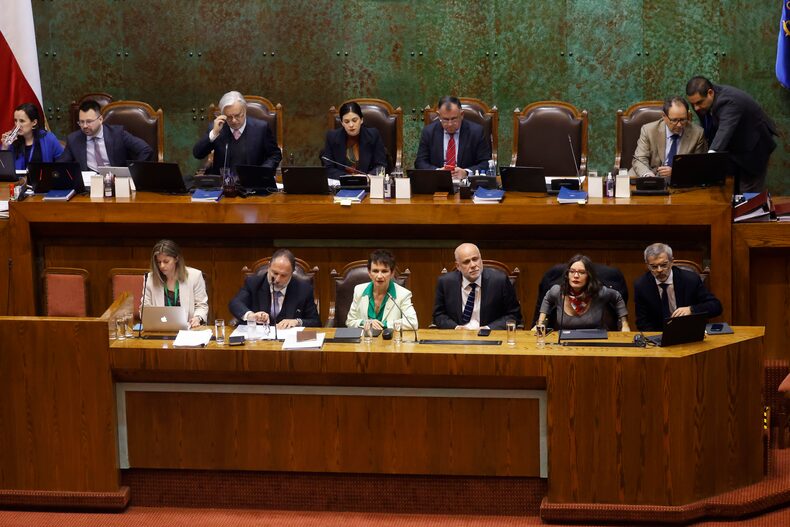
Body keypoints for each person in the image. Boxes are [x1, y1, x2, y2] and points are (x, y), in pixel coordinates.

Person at [685, 76, 777, 193]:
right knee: (729, 190)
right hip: (732, 147)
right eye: (692, 104)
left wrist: (708, 159)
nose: (696, 108)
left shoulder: (730, 102)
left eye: (699, 103)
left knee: (748, 193)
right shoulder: (703, 102)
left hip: (752, 148)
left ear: (710, 93)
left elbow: (724, 131)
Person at [633, 243, 722, 332]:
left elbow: (716, 306)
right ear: (647, 265)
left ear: (672, 262)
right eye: (654, 267)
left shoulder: (690, 280)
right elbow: (642, 322)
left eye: (664, 265)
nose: (659, 270)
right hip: (659, 334)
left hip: (689, 331)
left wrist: (691, 310)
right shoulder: (641, 285)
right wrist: (655, 339)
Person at [432, 243, 522, 330]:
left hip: (490, 337)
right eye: (466, 262)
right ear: (458, 266)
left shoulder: (499, 281)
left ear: (481, 259)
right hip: (457, 338)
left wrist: (488, 328)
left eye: (475, 259)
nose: (473, 265)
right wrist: (456, 328)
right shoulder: (445, 283)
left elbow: (514, 315)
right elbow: (438, 315)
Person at [193, 91, 282, 174]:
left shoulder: (261, 128)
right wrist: (214, 134)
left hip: (251, 185)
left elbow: (275, 155)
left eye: (237, 115)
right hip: (222, 186)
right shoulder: (216, 128)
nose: (234, 121)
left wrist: (263, 172)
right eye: (229, 117)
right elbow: (198, 154)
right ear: (222, 115)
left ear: (245, 110)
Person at [229, 249, 320, 328]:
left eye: (283, 275)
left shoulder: (304, 290)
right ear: (269, 267)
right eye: (275, 273)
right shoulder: (253, 283)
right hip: (259, 342)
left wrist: (297, 322)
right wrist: (251, 315)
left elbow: (316, 322)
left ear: (292, 273)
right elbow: (235, 303)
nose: (277, 280)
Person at [537, 254, 630, 332]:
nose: (576, 276)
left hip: (595, 339)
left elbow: (617, 297)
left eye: (581, 272)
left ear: (589, 276)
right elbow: (547, 299)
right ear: (567, 275)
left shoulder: (599, 292)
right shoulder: (557, 291)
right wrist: (541, 322)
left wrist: (624, 324)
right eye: (572, 271)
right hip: (566, 339)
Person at [58, 100, 153, 171]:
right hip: (88, 188)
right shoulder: (73, 139)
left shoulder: (118, 134)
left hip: (115, 183)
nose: (85, 126)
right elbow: (61, 165)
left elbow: (145, 150)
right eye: (81, 122)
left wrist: (132, 173)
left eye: (89, 121)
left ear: (100, 119)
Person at [629, 96, 707, 179]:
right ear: (664, 116)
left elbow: (699, 165)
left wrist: (676, 172)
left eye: (683, 120)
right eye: (674, 120)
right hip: (650, 174)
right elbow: (640, 159)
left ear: (687, 115)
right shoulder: (648, 130)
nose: (679, 125)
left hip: (680, 180)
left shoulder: (697, 133)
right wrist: (648, 176)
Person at [415, 96, 491, 179]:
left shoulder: (476, 132)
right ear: (439, 116)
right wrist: (438, 171)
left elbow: (486, 162)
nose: (450, 124)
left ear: (461, 115)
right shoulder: (429, 132)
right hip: (438, 182)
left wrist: (466, 172)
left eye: (454, 119)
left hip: (465, 184)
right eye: (446, 119)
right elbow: (420, 162)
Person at [142, 239, 208, 329]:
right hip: (160, 329)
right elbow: (144, 309)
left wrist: (197, 318)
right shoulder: (150, 279)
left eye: (166, 261)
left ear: (176, 258)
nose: (162, 266)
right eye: (159, 262)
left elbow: (202, 305)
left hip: (189, 330)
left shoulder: (194, 276)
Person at [346, 249, 418, 330]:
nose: (379, 276)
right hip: (365, 340)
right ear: (369, 273)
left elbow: (413, 323)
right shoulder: (359, 290)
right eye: (375, 271)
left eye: (384, 271)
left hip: (389, 341)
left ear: (392, 273)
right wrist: (366, 323)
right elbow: (350, 322)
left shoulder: (403, 294)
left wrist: (384, 324)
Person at [323, 102, 387, 178]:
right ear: (342, 123)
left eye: (354, 120)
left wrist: (368, 177)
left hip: (366, 183)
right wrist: (348, 178)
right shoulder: (332, 137)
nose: (351, 125)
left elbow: (381, 165)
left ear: (361, 120)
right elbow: (328, 168)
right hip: (342, 184)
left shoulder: (373, 135)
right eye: (346, 122)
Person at [1, 102, 63, 170]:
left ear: (34, 122)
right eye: (15, 120)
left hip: (42, 180)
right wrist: (4, 148)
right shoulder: (11, 141)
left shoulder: (48, 139)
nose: (17, 125)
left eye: (22, 121)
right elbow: (3, 170)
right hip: (18, 180)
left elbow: (63, 164)